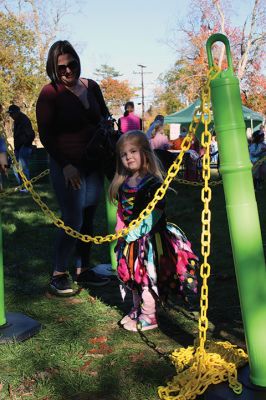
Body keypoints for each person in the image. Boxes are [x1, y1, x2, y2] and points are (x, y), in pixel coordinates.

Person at [36, 40, 111, 296]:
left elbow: (105, 117)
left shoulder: (92, 86)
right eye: (61, 68)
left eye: (72, 64)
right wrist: (66, 165)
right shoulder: (50, 93)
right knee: (73, 219)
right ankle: (59, 272)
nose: (68, 71)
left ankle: (83, 269)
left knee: (89, 216)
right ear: (53, 69)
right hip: (66, 165)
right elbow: (45, 134)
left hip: (94, 163)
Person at [109, 131, 198, 332]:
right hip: (130, 240)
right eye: (124, 154)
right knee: (131, 277)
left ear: (145, 154)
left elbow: (155, 212)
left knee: (145, 277)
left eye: (133, 151)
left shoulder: (153, 184)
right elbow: (122, 210)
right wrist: (120, 227)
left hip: (149, 241)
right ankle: (136, 308)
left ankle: (149, 314)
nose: (128, 157)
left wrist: (136, 231)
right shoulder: (124, 183)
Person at [7, 104, 35, 190]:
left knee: (23, 168)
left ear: (17, 112)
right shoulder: (16, 121)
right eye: (9, 114)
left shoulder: (24, 120)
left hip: (24, 148)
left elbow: (31, 134)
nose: (10, 116)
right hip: (18, 148)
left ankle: (26, 187)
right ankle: (21, 186)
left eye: (11, 114)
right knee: (16, 168)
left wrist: (25, 146)